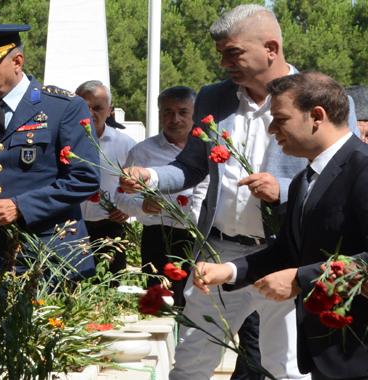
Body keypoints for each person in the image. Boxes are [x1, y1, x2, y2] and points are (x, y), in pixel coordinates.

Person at [120, 5, 358, 380]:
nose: (224, 64)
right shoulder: (214, 97)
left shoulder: (320, 95)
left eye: (233, 53)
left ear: (271, 48)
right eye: (221, 54)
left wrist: (283, 191)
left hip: (285, 255)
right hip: (220, 250)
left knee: (287, 366)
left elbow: (342, 175)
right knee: (192, 359)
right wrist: (149, 175)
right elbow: (192, 166)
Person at [194, 71, 368, 380]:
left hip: (358, 348)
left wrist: (302, 279)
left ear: (317, 116)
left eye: (281, 119)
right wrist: (229, 271)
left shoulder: (363, 168)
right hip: (326, 352)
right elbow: (289, 252)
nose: (272, 129)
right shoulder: (304, 180)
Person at [0, 24, 100, 282]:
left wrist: (20, 206)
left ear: (17, 62)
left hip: (48, 255)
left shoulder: (63, 108)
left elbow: (85, 178)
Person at [116, 85, 206, 308]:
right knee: (161, 304)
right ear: (159, 115)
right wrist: (142, 206)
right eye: (168, 112)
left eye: (183, 112)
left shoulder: (208, 148)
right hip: (159, 239)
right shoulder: (142, 152)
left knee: (199, 304)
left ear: (194, 113)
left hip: (200, 236)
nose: (175, 118)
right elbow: (120, 198)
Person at [75, 80, 135, 277]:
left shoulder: (126, 145)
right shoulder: (62, 141)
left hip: (110, 227)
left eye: (98, 108)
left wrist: (128, 206)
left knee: (111, 288)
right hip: (71, 228)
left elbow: (141, 186)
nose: (91, 113)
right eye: (85, 107)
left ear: (109, 111)